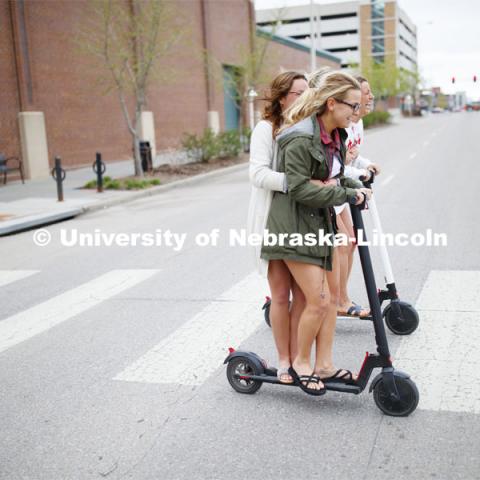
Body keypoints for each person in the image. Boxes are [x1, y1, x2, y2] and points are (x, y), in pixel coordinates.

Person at [261, 71, 371, 393]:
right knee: (320, 300)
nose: (357, 111)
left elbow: (332, 177)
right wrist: (344, 194)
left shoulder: (335, 134)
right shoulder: (298, 138)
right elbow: (297, 189)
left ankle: (324, 364)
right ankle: (301, 363)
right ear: (332, 103)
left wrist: (353, 184)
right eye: (352, 105)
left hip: (318, 222)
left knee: (330, 298)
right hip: (293, 228)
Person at [247, 71, 309, 384]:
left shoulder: (308, 126)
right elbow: (257, 174)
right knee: (281, 295)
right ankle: (284, 361)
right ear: (282, 96)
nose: (304, 96)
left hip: (306, 218)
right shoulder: (266, 128)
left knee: (304, 296)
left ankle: (299, 358)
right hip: (275, 219)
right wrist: (295, 183)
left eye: (307, 91)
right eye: (299, 92)